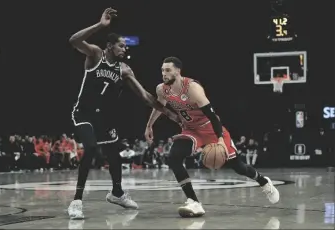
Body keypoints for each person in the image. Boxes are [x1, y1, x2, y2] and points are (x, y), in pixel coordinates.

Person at [67, 8, 179, 219]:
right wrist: (100, 26)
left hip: (104, 118)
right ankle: (76, 201)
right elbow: (73, 40)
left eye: (125, 46)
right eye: (121, 45)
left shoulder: (124, 70)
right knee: (90, 148)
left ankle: (117, 193)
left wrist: (169, 113)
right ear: (109, 46)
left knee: (114, 156)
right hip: (83, 113)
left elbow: (145, 97)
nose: (124, 48)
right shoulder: (96, 55)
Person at [145, 57, 280, 217]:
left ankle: (263, 182)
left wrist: (221, 140)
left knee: (238, 167)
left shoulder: (192, 88)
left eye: (168, 70)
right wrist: (149, 125)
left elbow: (213, 117)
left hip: (210, 129)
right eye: (162, 70)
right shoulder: (162, 89)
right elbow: (159, 107)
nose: (164, 74)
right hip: (190, 130)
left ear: (178, 71)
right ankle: (194, 202)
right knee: (174, 157)